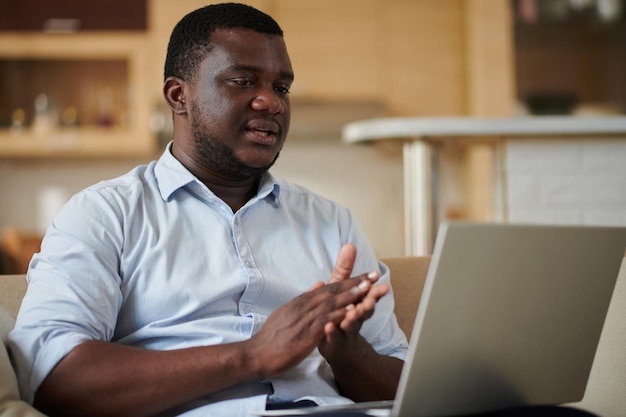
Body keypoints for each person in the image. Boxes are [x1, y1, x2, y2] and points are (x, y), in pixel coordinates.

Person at [8, 3, 407, 417]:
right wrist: (252, 355)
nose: (271, 102)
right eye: (243, 81)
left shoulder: (332, 223)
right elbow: (53, 378)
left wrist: (347, 353)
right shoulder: (105, 214)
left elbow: (409, 385)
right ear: (179, 95)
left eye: (282, 87)